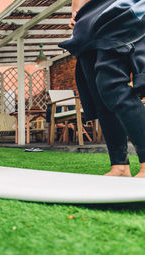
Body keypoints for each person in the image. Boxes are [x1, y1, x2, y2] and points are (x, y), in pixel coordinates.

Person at [59, 0, 145, 177]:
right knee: (100, 95)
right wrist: (76, 11)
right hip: (88, 21)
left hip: (120, 11)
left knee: (112, 84)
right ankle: (119, 166)